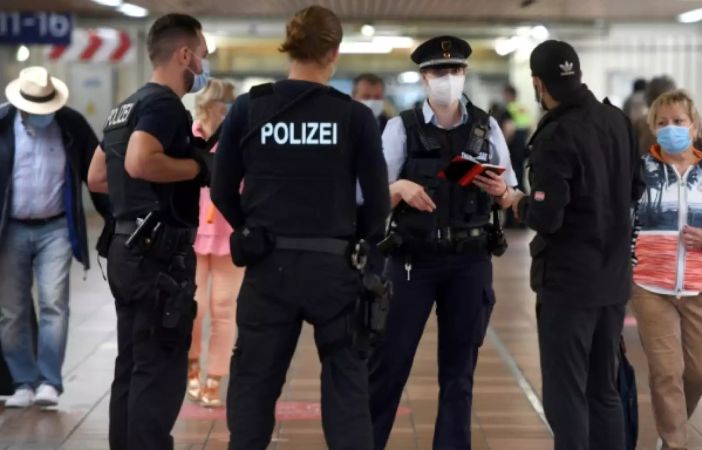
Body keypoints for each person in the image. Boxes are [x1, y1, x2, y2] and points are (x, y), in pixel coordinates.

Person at [210, 6, 390, 449]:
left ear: (290, 46)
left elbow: (219, 188)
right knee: (347, 387)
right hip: (335, 269)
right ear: (334, 52)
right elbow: (379, 203)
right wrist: (358, 242)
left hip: (268, 266)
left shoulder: (250, 108)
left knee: (254, 382)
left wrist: (250, 229)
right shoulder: (354, 117)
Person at [368, 35, 519, 450]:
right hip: (411, 260)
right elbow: (372, 193)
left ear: (464, 74)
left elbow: (512, 190)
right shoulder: (401, 127)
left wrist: (500, 191)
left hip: (469, 261)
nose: (446, 79)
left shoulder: (485, 127)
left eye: (453, 71)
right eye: (438, 72)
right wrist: (399, 186)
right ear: (424, 77)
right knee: (389, 364)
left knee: (459, 375)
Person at [510, 39, 643, 450]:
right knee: (603, 390)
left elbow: (547, 217)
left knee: (566, 394)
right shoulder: (617, 121)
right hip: (613, 280)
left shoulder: (556, 134)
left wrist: (515, 202)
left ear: (538, 83)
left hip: (569, 285)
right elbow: (636, 188)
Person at [87, 13, 211, 450]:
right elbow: (140, 161)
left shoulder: (127, 105)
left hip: (125, 248)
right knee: (159, 367)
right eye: (202, 54)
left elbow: (98, 176)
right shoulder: (163, 105)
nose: (203, 64)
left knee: (133, 363)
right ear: (184, 54)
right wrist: (196, 166)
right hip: (160, 255)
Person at [631, 90, 702, 450]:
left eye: (678, 121)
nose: (671, 129)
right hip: (650, 286)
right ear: (652, 128)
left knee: (699, 372)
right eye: (662, 123)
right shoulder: (638, 174)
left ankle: (673, 429)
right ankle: (674, 442)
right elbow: (619, 225)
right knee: (666, 373)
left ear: (694, 128)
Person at [0, 66, 110, 408]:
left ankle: (49, 381)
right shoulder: (2, 125)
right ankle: (22, 381)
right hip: (11, 228)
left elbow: (97, 171)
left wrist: (113, 218)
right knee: (12, 310)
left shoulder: (71, 124)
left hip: (56, 228)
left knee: (54, 304)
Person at [186, 78, 241, 408]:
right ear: (210, 106)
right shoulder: (187, 137)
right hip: (191, 234)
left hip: (228, 234)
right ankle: (191, 364)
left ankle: (215, 377)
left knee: (223, 310)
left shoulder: (237, 141)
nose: (230, 112)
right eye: (225, 106)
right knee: (193, 308)